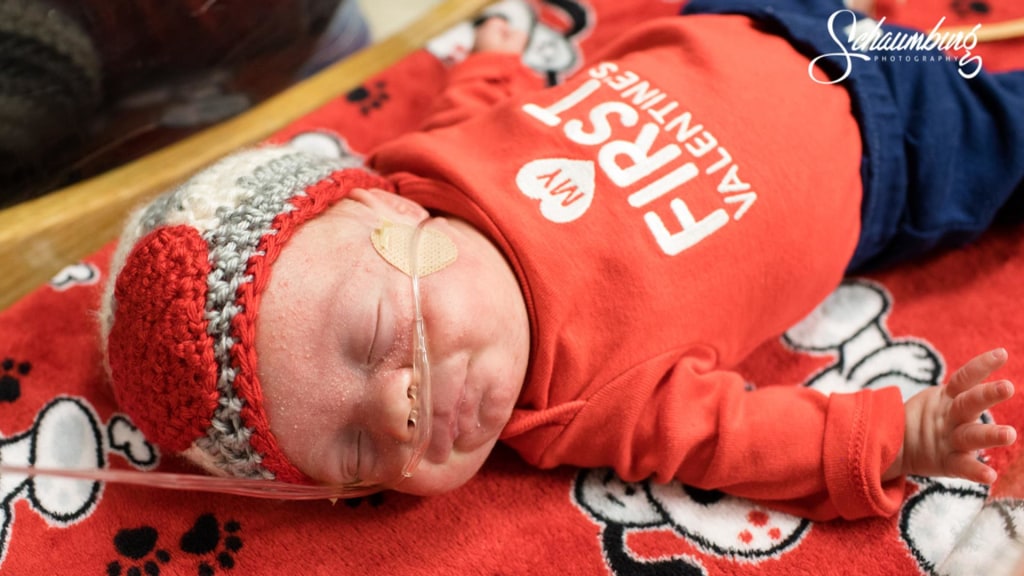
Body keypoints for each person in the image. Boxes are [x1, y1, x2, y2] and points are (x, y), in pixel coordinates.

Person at [100, 0, 1024, 521]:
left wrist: (493, 50)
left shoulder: (431, 166)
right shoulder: (583, 404)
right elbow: (747, 438)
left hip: (738, 21)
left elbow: (482, 99)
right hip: (898, 152)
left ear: (377, 201)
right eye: (357, 453)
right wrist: (907, 437)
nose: (401, 412)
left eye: (377, 336)